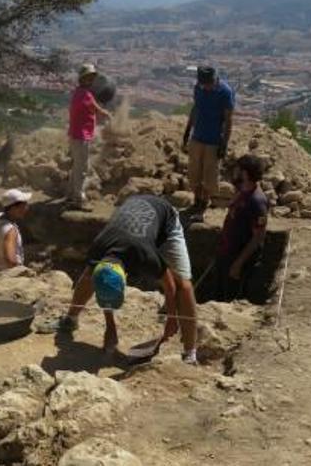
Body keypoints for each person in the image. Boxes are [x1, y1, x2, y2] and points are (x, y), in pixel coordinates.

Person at [47, 195, 200, 365]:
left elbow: (170, 285)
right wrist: (110, 327)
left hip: (165, 220)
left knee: (184, 285)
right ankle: (71, 319)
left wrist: (171, 319)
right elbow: (104, 287)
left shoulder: (145, 256)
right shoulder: (99, 248)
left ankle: (190, 353)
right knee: (88, 275)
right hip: (129, 219)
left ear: (126, 278)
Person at [208, 155, 269, 301]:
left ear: (245, 174)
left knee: (229, 299)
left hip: (237, 259)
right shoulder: (242, 190)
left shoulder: (257, 202)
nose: (234, 172)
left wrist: (238, 264)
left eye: (238, 169)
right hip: (226, 253)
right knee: (217, 296)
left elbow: (258, 237)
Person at [182, 66, 235, 223]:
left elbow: (228, 120)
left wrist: (224, 144)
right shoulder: (199, 88)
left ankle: (202, 206)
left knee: (209, 176)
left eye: (208, 84)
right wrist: (187, 132)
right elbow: (195, 109)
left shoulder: (225, 92)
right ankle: (196, 202)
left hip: (213, 141)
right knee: (194, 173)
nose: (206, 87)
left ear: (214, 80)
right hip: (197, 137)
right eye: (203, 84)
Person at [67, 63, 111, 211]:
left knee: (77, 166)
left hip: (75, 135)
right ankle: (79, 200)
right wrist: (106, 114)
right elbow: (94, 108)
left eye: (92, 77)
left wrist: (103, 112)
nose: (92, 80)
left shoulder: (80, 93)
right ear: (83, 79)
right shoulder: (84, 95)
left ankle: (71, 194)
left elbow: (94, 107)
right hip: (80, 136)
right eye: (89, 77)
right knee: (82, 168)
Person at [0, 189, 32, 271]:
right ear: (13, 208)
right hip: (8, 274)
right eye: (24, 205)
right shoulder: (10, 231)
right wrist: (21, 271)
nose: (27, 208)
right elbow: (10, 260)